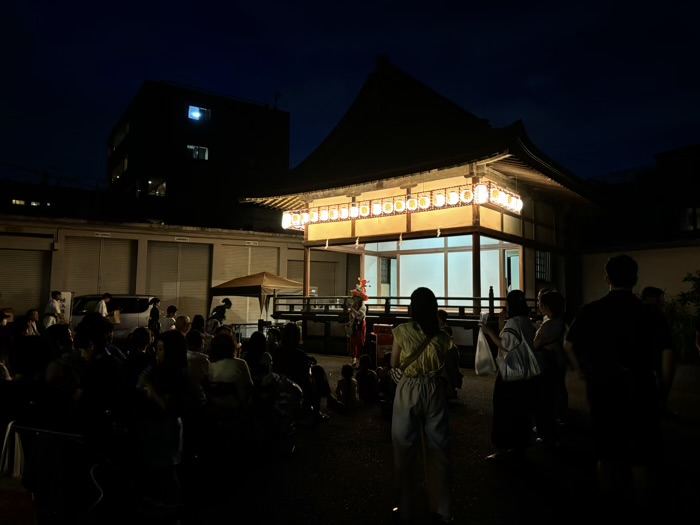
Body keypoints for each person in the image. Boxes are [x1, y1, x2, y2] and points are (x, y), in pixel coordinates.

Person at [564, 254, 667, 510]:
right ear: (636, 278)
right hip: (641, 388)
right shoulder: (650, 313)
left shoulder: (592, 310)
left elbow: (568, 345)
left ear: (607, 277)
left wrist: (583, 372)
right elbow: (667, 355)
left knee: (607, 453)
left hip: (603, 388)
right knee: (641, 457)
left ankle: (613, 505)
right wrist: (663, 389)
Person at [391, 287, 453, 525]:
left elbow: (395, 363)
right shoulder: (443, 336)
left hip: (408, 388)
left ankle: (405, 507)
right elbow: (447, 369)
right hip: (434, 389)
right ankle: (442, 508)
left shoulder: (402, 331)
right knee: (439, 448)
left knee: (404, 448)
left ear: (412, 308)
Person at [481, 289, 538, 463]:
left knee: (505, 409)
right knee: (521, 409)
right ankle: (519, 447)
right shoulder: (526, 322)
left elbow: (505, 345)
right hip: (525, 371)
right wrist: (501, 323)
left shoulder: (513, 323)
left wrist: (488, 331)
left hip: (511, 372)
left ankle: (505, 449)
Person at [532, 290, 567, 447]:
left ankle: (547, 433)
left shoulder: (549, 325)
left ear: (546, 306)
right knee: (555, 392)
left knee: (544, 398)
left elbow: (535, 344)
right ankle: (556, 421)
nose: (538, 305)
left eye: (540, 302)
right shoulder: (559, 321)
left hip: (547, 363)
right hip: (558, 361)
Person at [347, 282, 368, 367]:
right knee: (352, 342)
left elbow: (359, 315)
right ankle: (353, 361)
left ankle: (359, 362)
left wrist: (351, 309)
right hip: (354, 325)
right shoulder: (354, 305)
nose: (353, 298)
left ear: (359, 298)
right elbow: (352, 316)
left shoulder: (363, 307)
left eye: (355, 297)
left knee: (359, 343)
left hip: (360, 325)